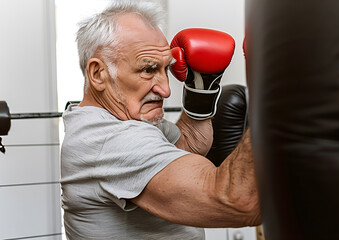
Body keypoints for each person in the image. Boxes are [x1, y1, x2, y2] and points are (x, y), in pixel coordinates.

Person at [60, 0, 261, 239]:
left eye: (165, 68)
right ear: (98, 74)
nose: (165, 90)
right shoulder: (111, 140)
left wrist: (201, 88)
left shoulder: (120, 120)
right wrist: (281, 84)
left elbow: (187, 148)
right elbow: (237, 200)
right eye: (148, 70)